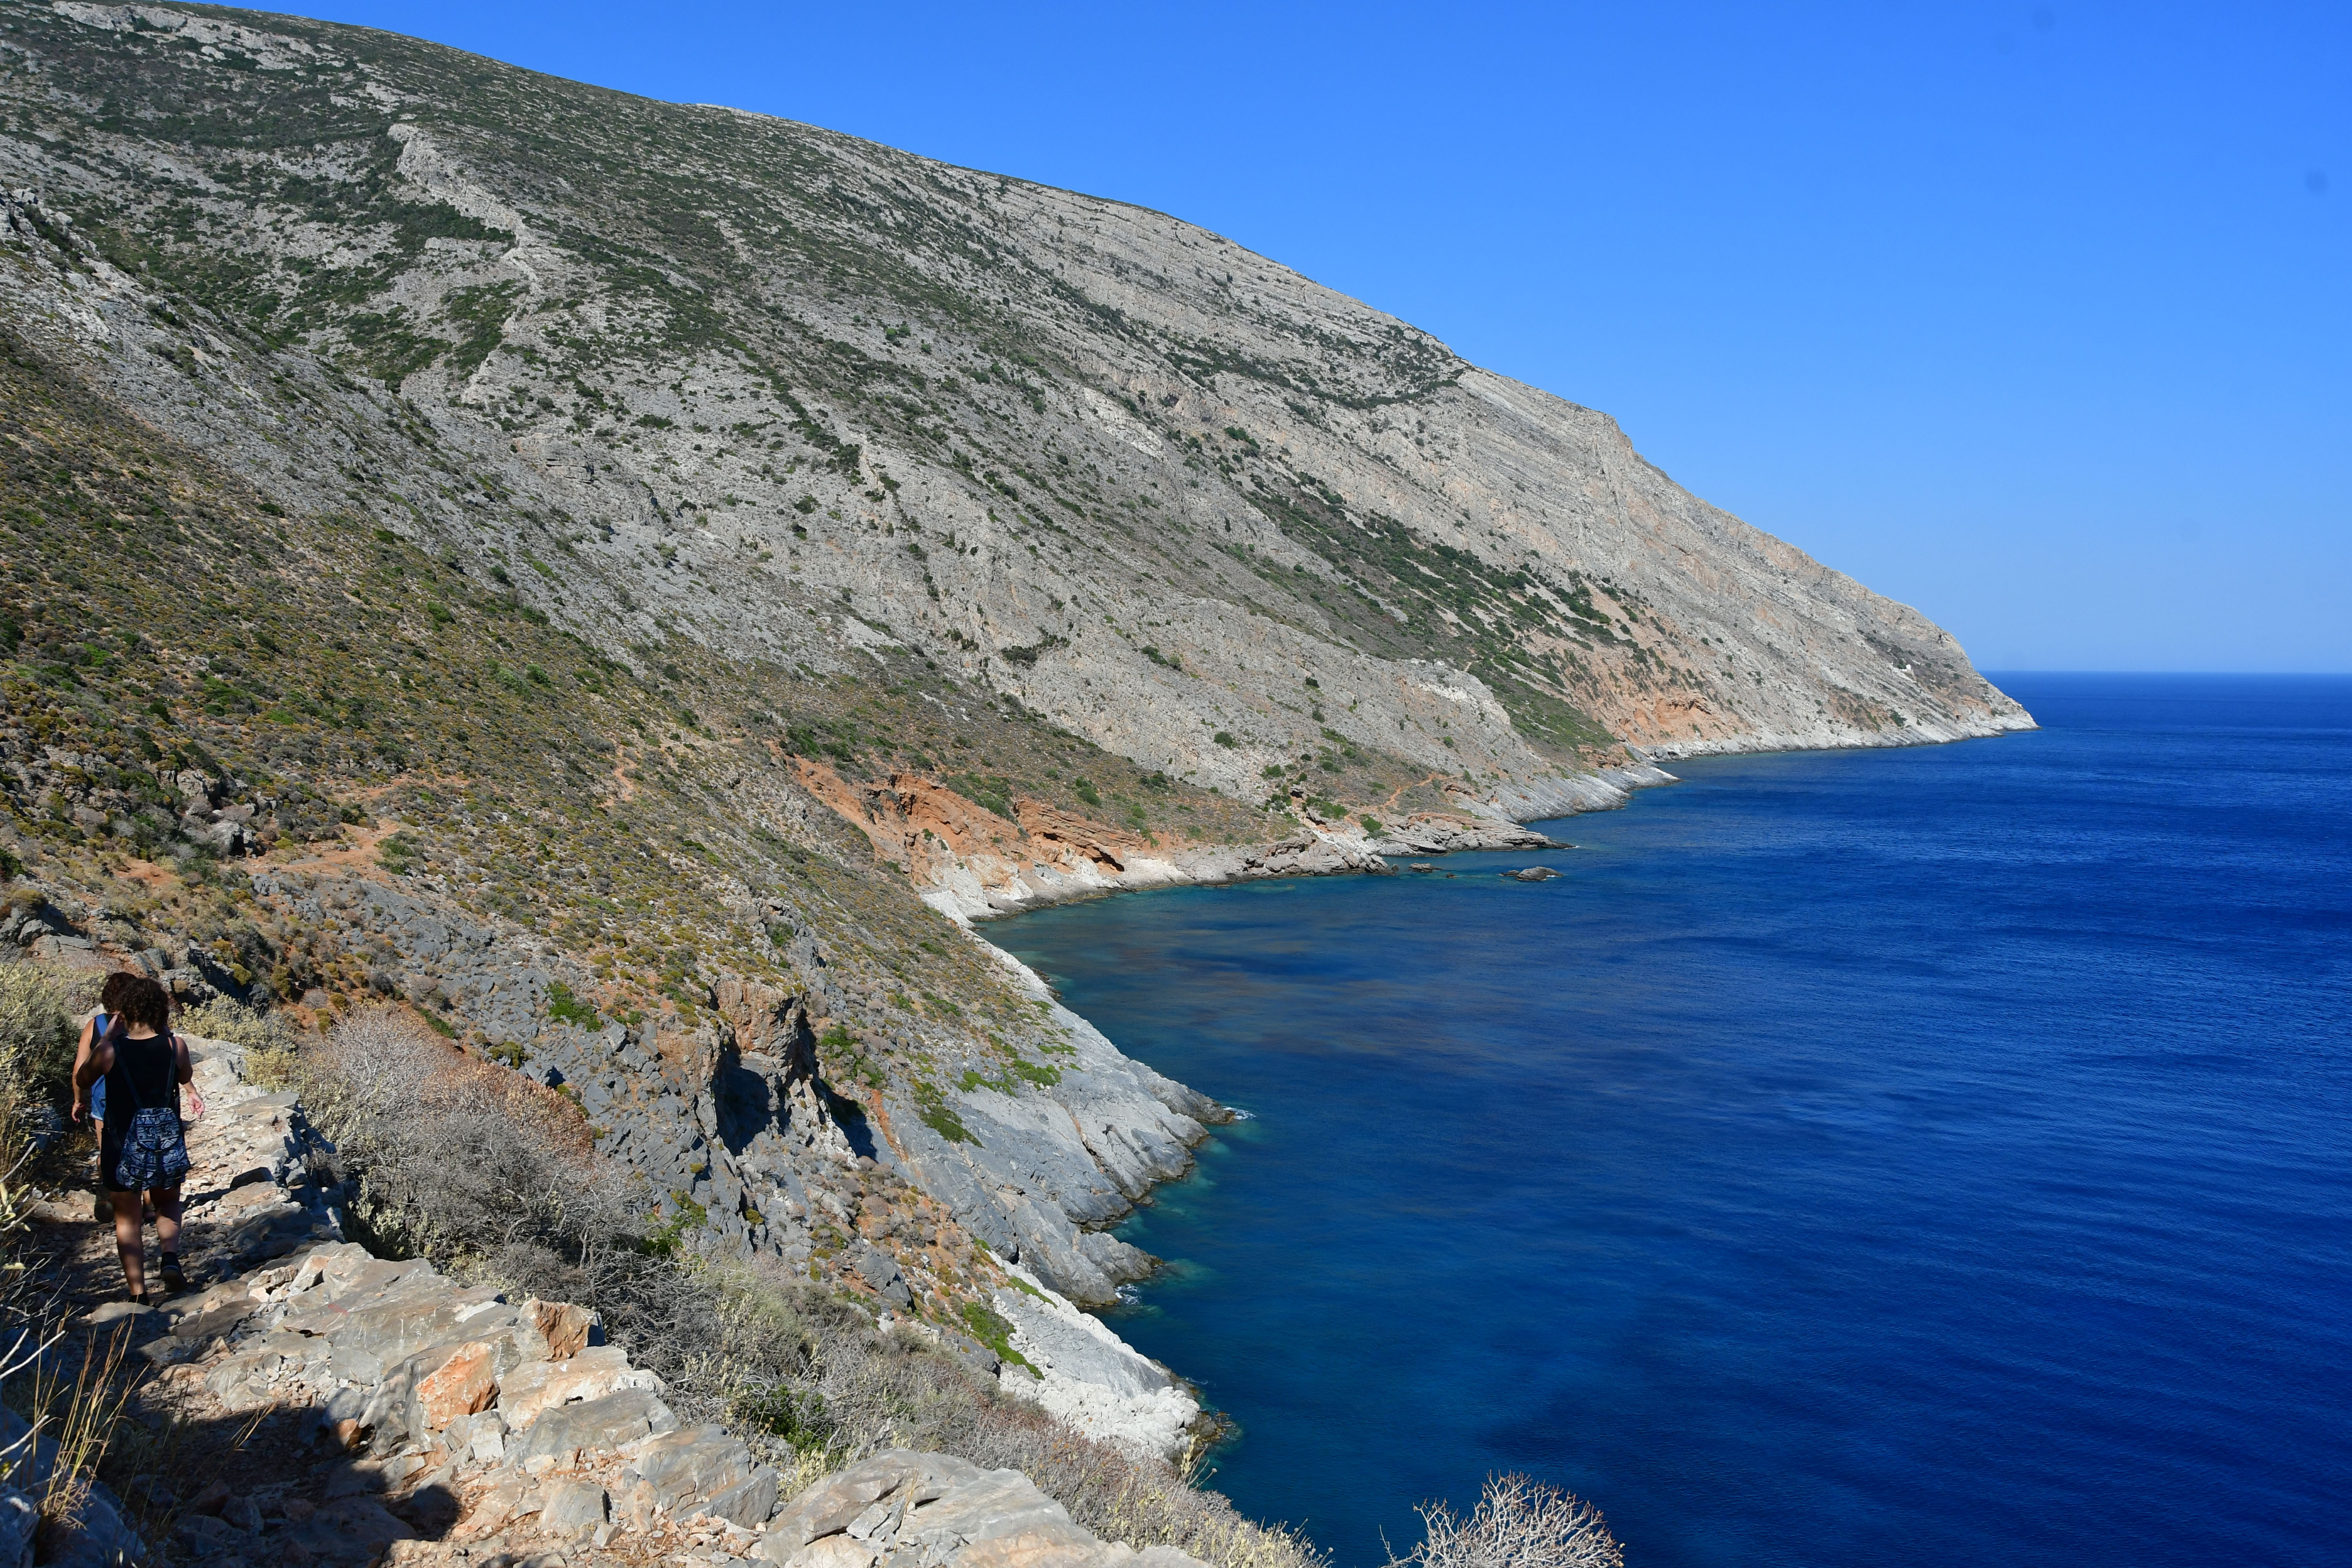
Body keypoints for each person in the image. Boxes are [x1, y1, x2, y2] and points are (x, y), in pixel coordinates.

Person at [72, 975, 193, 1302]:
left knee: (128, 1219)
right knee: (168, 1202)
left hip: (119, 1142)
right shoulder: (175, 1046)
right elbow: (184, 1076)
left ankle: (139, 1294)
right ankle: (169, 1258)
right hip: (165, 1143)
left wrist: (106, 1039)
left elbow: (84, 1077)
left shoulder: (111, 1051)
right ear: (161, 1011)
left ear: (123, 1011)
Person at [72, 972, 140, 1223]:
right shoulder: (143, 1022)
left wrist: (79, 1100)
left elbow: (80, 1068)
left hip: (105, 1098)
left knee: (107, 1147)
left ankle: (110, 1190)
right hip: (141, 1098)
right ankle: (148, 1202)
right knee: (141, 1146)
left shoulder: (97, 1025)